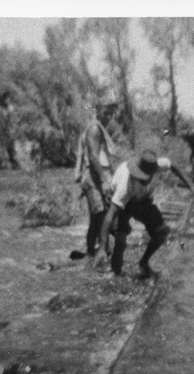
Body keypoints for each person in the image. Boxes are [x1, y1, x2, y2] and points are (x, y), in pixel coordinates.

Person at [93, 150, 194, 279]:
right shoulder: (124, 185)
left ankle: (144, 263)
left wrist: (191, 184)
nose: (144, 180)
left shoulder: (155, 165)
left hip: (142, 201)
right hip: (123, 203)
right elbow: (110, 215)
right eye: (140, 177)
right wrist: (102, 248)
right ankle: (116, 274)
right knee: (120, 239)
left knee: (161, 232)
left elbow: (172, 165)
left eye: (146, 177)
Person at [71, 103, 117, 259]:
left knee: (98, 217)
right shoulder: (94, 129)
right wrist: (104, 181)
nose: (109, 116)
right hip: (95, 176)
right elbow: (93, 156)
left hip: (95, 175)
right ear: (97, 112)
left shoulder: (94, 129)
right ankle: (99, 250)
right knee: (101, 215)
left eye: (111, 113)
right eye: (106, 112)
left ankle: (94, 250)